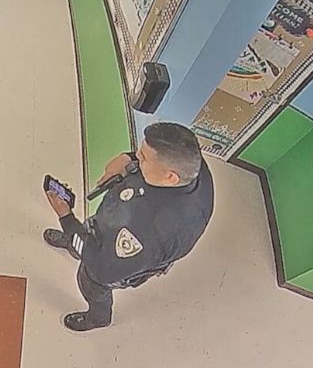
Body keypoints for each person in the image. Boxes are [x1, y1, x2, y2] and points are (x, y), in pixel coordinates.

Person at [42, 122, 214, 331]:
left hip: (115, 261)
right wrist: (127, 158)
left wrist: (66, 217)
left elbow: (102, 266)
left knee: (91, 281)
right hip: (114, 220)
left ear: (170, 177)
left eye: (143, 158)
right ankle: (74, 240)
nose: (137, 158)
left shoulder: (150, 231)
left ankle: (99, 317)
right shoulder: (190, 164)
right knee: (89, 231)